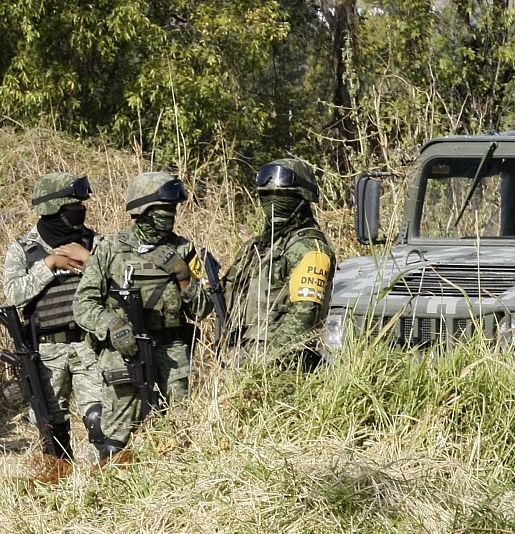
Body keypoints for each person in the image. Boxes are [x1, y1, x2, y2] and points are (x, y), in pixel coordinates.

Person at [72, 171, 208, 464]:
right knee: (116, 436)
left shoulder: (184, 249)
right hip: (125, 353)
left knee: (179, 432)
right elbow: (84, 303)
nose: (170, 216)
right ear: (142, 210)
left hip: (173, 353)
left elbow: (203, 309)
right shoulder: (110, 248)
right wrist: (112, 326)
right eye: (163, 210)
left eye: (172, 210)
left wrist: (184, 277)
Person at [1, 172, 105, 480]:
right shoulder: (24, 249)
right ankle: (58, 489)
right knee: (50, 426)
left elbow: (114, 285)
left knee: (99, 419)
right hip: (46, 350)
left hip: (89, 345)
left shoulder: (94, 243)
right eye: (73, 205)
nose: (81, 210)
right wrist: (49, 266)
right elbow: (14, 295)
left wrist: (88, 262)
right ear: (54, 208)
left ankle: (105, 484)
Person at [222, 158, 335, 367]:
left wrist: (265, 363)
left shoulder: (311, 249)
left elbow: (305, 314)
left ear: (302, 197)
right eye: (267, 196)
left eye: (283, 197)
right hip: (244, 357)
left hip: (285, 366)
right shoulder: (257, 247)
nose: (273, 203)